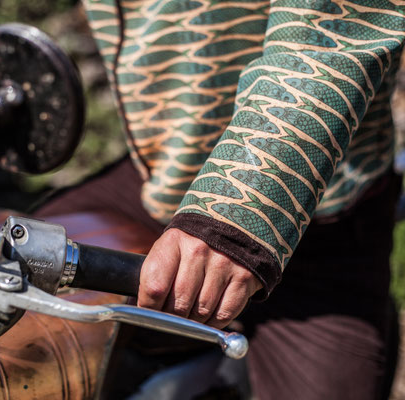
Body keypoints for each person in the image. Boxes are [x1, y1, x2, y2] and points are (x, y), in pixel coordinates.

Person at [36, 1, 405, 398]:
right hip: (161, 178)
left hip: (321, 218)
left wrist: (232, 216)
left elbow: (331, 33)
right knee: (6, 318)